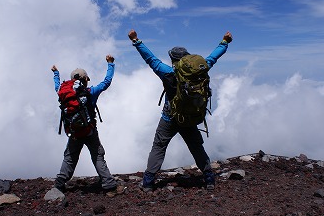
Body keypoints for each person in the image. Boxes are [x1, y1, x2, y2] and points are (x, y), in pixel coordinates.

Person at [128, 29, 233, 191]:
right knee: (197, 147)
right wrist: (224, 42)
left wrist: (136, 41)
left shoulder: (167, 72)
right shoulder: (199, 70)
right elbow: (213, 58)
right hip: (189, 118)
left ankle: (148, 183)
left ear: (172, 59)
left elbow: (150, 59)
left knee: (159, 147)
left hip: (169, 118)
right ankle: (209, 179)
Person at [51, 55, 118, 194]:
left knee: (69, 158)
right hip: (89, 131)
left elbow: (57, 86)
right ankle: (108, 183)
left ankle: (59, 183)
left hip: (74, 132)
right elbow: (106, 82)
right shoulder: (90, 92)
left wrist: (56, 73)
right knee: (98, 155)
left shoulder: (63, 93)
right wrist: (110, 64)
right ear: (85, 80)